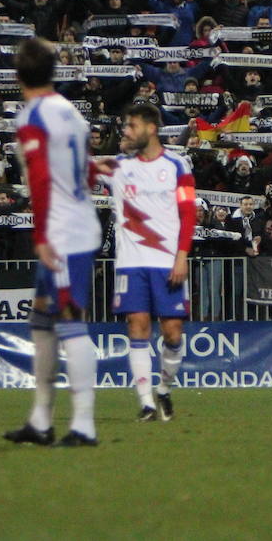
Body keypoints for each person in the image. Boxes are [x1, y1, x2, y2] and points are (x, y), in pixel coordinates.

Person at [2, 37, 102, 448]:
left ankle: (84, 425)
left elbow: (41, 178)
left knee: (70, 320)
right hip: (77, 220)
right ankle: (40, 421)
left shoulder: (33, 116)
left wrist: (42, 235)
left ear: (18, 76)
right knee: (42, 321)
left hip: (63, 233)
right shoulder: (71, 113)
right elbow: (87, 173)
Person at [106, 102, 195, 422]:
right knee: (137, 325)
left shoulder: (177, 165)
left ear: (151, 129)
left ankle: (164, 389)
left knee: (172, 333)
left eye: (132, 126)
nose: (126, 131)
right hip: (131, 262)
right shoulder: (118, 166)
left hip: (168, 261)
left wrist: (182, 256)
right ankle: (145, 404)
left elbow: (188, 213)